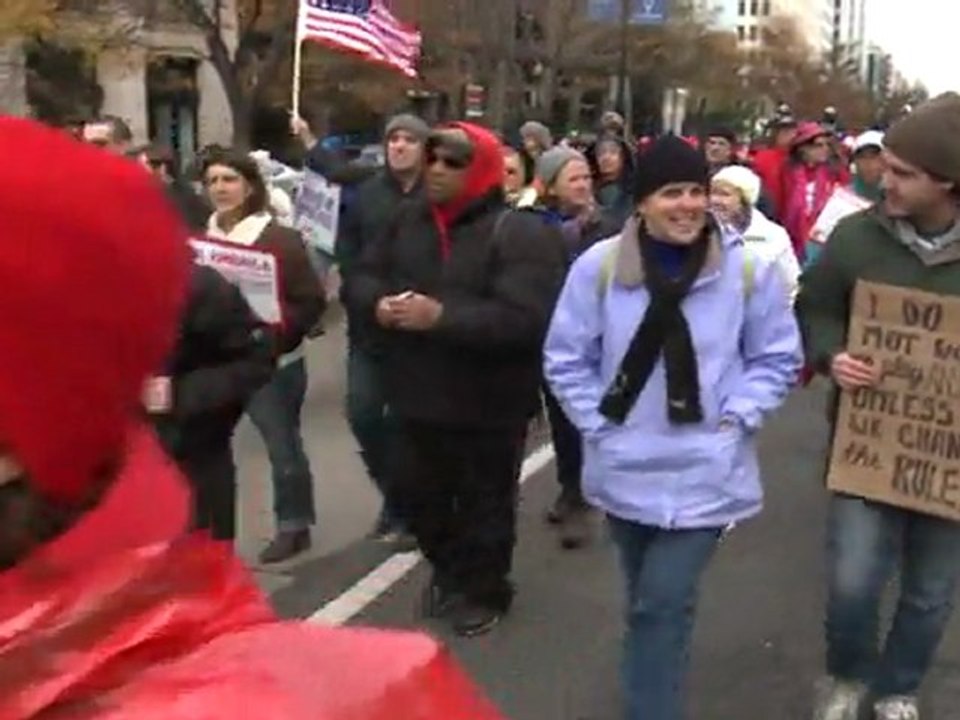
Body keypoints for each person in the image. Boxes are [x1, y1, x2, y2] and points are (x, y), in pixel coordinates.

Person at [0, 116, 506, 720]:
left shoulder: (197, 280)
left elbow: (277, 327)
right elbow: (366, 267)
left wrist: (181, 394)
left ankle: (327, 527)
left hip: (219, 438)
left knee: (302, 446)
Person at [544, 135, 802, 720]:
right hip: (624, 466)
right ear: (641, 203)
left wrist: (738, 417)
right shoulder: (600, 267)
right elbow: (566, 357)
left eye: (696, 191)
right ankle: (657, 680)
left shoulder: (746, 271)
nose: (686, 205)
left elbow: (776, 357)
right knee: (648, 604)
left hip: (708, 471)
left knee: (660, 603)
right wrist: (598, 424)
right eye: (670, 193)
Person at [350, 122, 566, 637]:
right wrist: (376, 302)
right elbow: (361, 275)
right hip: (415, 391)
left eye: (453, 162)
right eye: (433, 159)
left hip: (488, 400)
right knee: (412, 492)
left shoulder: (520, 232)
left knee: (484, 503)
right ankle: (450, 568)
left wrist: (441, 318)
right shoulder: (407, 220)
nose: (438, 170)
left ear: (483, 172)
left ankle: (484, 588)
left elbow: (527, 318)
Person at [799, 93, 960, 720]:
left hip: (947, 456)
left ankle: (898, 688)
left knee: (930, 590)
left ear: (946, 183)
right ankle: (846, 674)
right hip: (867, 444)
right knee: (853, 581)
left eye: (902, 173)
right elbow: (814, 305)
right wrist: (831, 354)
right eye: (884, 166)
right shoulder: (855, 236)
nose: (882, 180)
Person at [204, 151, 325, 563]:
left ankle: (294, 524)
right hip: (217, 361)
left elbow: (310, 302)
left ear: (250, 186)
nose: (220, 189)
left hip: (272, 361)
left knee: (281, 445)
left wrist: (275, 334)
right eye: (214, 181)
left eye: (229, 180)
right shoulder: (202, 238)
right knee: (209, 451)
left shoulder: (278, 239)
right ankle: (210, 535)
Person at [337, 113, 429, 544]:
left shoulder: (437, 193)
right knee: (364, 413)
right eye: (393, 138)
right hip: (371, 329)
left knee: (412, 426)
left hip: (424, 330)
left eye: (409, 139)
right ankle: (395, 497)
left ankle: (410, 508)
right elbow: (349, 261)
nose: (399, 146)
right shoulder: (366, 196)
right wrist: (374, 302)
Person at [148, 264, 276, 542]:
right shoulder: (73, 295)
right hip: (114, 491)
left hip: (193, 459)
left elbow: (256, 359)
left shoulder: (198, 286)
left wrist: (178, 393)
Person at [532, 146, 620, 549]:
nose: (584, 185)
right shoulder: (534, 226)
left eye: (586, 177)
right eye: (574, 179)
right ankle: (571, 487)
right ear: (550, 186)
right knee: (561, 421)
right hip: (551, 335)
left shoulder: (606, 228)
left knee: (585, 420)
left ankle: (585, 502)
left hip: (596, 339)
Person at [710, 164, 800, 303]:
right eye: (713, 193)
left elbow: (790, 285)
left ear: (745, 200)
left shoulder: (772, 236)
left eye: (725, 194)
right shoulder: (705, 232)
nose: (715, 200)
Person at [780, 122, 850, 261]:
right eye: (818, 145)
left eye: (827, 145)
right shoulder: (786, 174)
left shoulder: (836, 174)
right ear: (803, 148)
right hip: (791, 243)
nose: (825, 149)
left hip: (824, 242)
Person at [587, 134, 636, 226]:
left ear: (623, 157)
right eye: (601, 153)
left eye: (613, 152)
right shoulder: (589, 189)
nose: (606, 158)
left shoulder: (635, 189)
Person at [849, 130, 885, 203]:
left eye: (873, 156)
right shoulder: (846, 195)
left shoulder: (897, 191)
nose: (867, 163)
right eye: (861, 157)